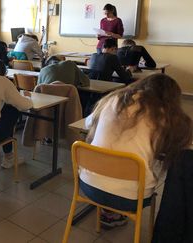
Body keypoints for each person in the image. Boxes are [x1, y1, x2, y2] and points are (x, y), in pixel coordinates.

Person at [83, 73, 193, 228]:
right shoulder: (166, 115)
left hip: (88, 184)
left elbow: (87, 124)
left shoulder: (113, 99)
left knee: (115, 166)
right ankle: (114, 212)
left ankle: (109, 212)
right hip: (129, 197)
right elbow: (186, 145)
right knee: (128, 174)